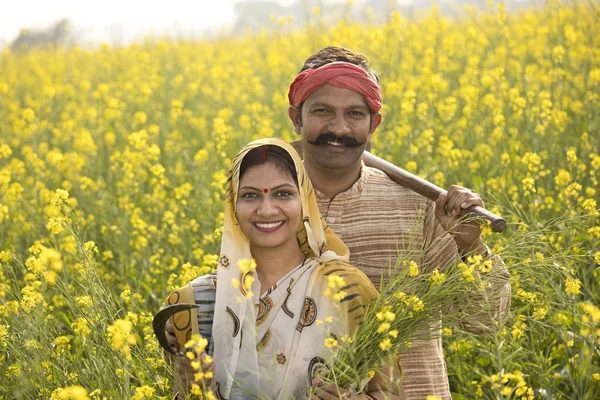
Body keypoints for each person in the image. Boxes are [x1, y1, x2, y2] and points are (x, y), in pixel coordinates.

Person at [286, 46, 511, 399]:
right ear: (296, 119)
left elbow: (484, 320)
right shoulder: (266, 208)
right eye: (322, 111)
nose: (339, 127)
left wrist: (471, 245)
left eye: (355, 113)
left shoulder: (419, 207)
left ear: (374, 124)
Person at [165, 138, 403, 399]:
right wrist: (189, 386)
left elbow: (388, 391)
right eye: (250, 195)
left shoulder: (348, 290)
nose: (267, 210)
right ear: (233, 205)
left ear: (305, 201)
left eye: (283, 193)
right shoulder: (194, 303)